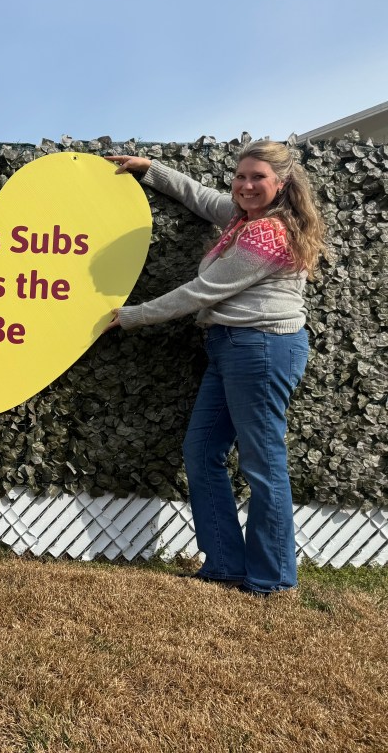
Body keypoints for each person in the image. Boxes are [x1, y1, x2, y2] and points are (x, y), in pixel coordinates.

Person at [104, 142, 325, 596]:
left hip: (262, 348)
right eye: (240, 176)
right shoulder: (242, 217)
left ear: (280, 184)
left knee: (263, 464)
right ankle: (224, 563)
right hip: (230, 346)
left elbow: (202, 292)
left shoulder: (268, 234)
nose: (245, 185)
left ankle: (272, 579)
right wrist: (150, 170)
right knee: (202, 450)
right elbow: (201, 196)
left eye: (257, 178)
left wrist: (132, 315)